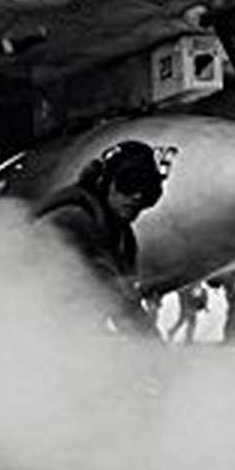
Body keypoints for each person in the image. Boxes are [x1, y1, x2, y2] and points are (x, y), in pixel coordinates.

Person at [35, 140, 167, 335]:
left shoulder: (123, 238)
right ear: (104, 182)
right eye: (129, 182)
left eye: (148, 189)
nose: (137, 196)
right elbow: (116, 297)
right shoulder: (70, 219)